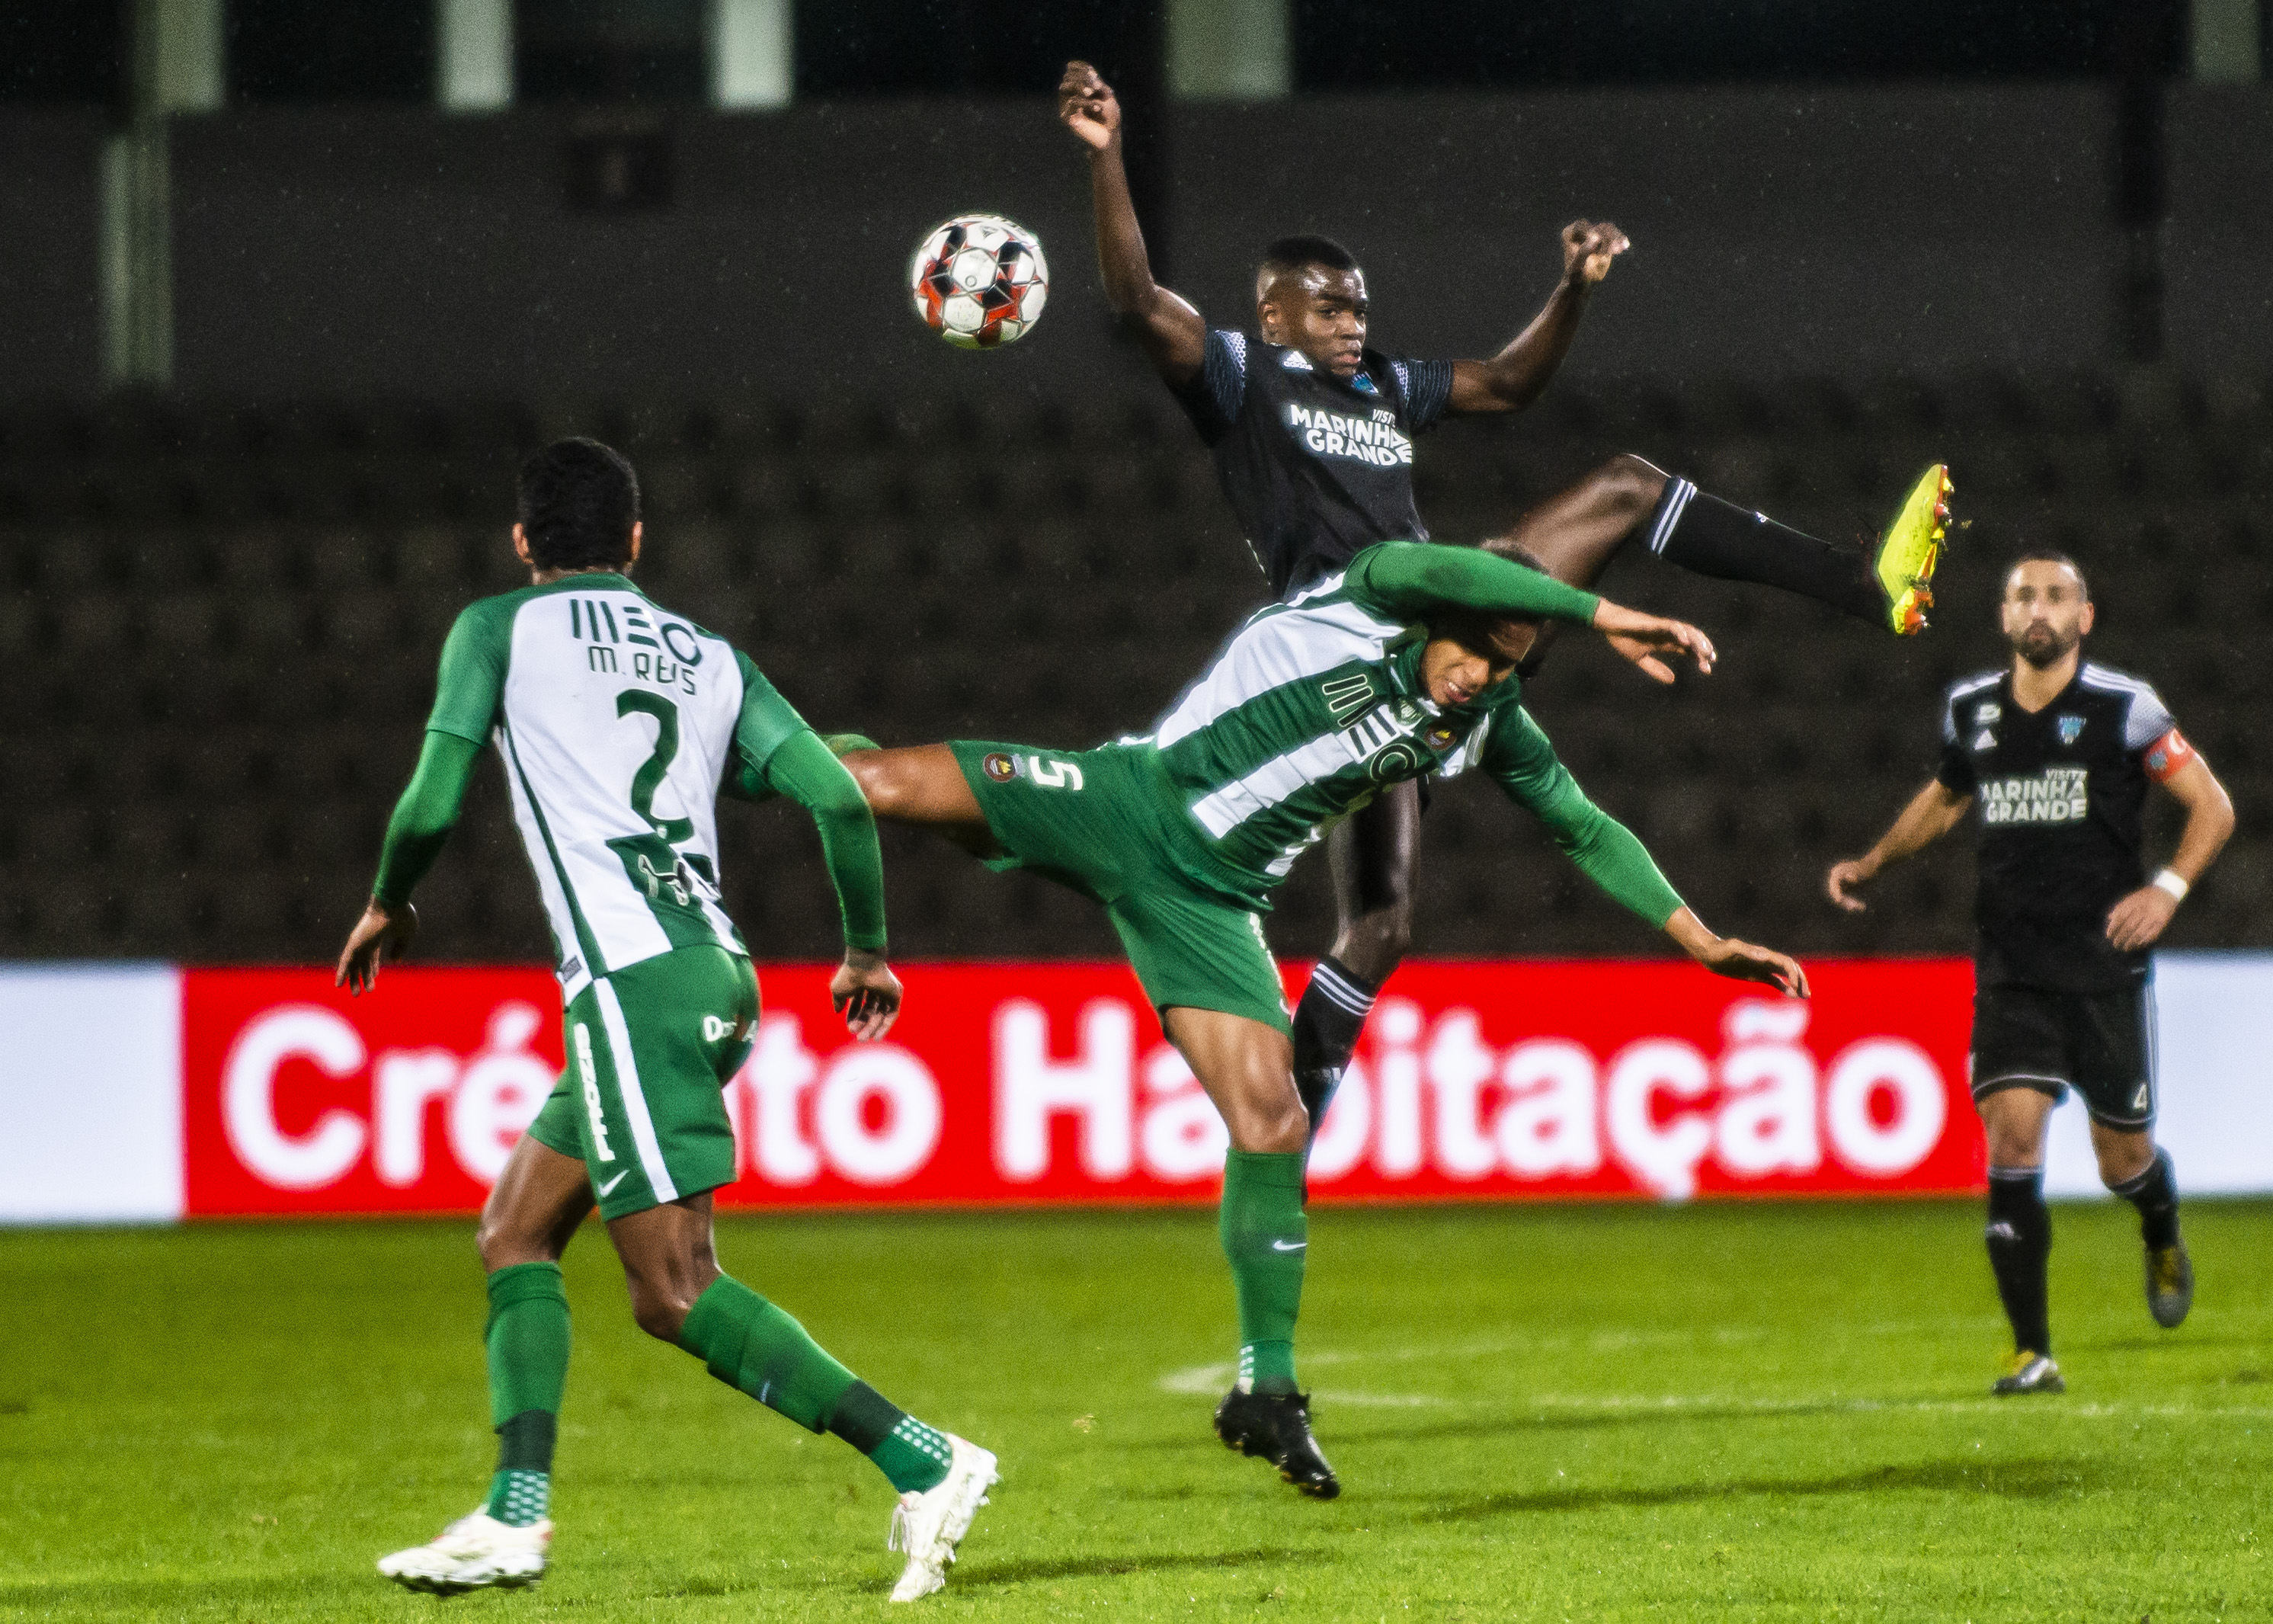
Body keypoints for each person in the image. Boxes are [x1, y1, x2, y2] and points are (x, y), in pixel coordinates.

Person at [1057, 58, 1948, 1135]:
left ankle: (1863, 585)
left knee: (1624, 485)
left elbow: (1511, 384)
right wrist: (1108, 163)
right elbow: (1136, 301)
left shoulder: (1384, 383)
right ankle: (1291, 1116)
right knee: (1381, 922)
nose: (1352, 324)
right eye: (1332, 307)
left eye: (1362, 307)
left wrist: (1571, 289)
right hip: (1338, 646)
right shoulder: (1245, 376)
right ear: (1272, 308)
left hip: (1440, 622)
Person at [835, 539, 1810, 1497]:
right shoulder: (1375, 594)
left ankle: (1267, 1388)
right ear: (1445, 613)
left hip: (1211, 905)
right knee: (860, 785)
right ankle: (745, 750)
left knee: (1273, 1124)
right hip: (1124, 801)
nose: (1481, 675)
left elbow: (1581, 823)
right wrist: (1601, 611)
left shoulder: (1487, 720)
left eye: (1511, 663)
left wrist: (1700, 938)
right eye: (1476, 648)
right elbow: (1440, 568)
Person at [338, 439, 997, 1602]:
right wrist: (866, 949)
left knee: (675, 1286)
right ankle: (513, 1513)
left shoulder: (497, 628)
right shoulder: (709, 655)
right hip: (705, 971)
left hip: (635, 983)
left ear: (523, 541)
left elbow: (433, 795)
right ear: (637, 542)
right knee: (514, 1231)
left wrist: (393, 897)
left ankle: (926, 1457)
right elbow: (837, 790)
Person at [1826, 551, 2235, 1396]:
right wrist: (1872, 862)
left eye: (2056, 596)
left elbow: (2212, 806)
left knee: (2123, 1160)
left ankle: (2158, 1222)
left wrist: (2165, 890)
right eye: (2023, 596)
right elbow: (1943, 801)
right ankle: (2031, 1351)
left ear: (2085, 617)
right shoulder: (1971, 711)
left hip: (2104, 969)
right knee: (2011, 1142)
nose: (2038, 609)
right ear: (2004, 617)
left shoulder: (2126, 710)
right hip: (2012, 969)